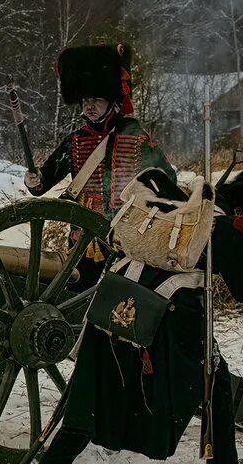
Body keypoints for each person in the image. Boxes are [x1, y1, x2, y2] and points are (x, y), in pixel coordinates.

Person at [23, 163, 243, 464]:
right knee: (216, 380)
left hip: (114, 305)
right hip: (167, 326)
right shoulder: (224, 229)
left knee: (87, 398)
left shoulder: (171, 208)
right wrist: (240, 244)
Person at [26, 44, 174, 286]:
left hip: (128, 244)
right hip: (83, 244)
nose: (89, 106)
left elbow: (167, 180)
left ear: (112, 101)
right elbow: (42, 182)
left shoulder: (137, 138)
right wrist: (34, 180)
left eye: (96, 99)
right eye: (85, 100)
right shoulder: (75, 141)